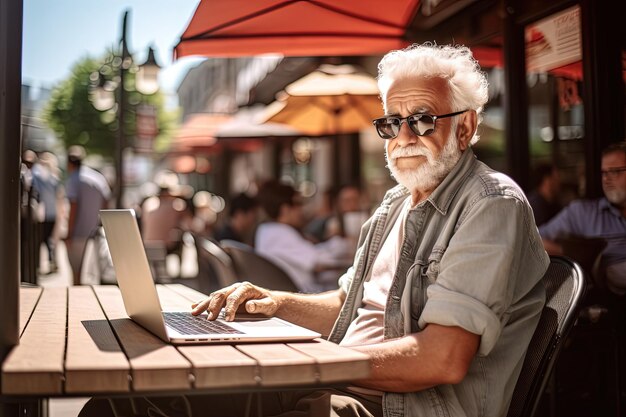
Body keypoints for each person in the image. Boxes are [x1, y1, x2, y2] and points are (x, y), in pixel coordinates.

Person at [186, 43, 550, 417]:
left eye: (423, 120)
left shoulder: (491, 203)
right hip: (339, 382)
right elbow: (349, 305)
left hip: (400, 406)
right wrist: (273, 303)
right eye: (392, 122)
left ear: (465, 126)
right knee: (192, 392)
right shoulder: (396, 202)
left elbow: (443, 359)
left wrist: (313, 361)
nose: (404, 138)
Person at [540, 142, 626, 295]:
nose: (606, 179)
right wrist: (572, 253)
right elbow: (534, 239)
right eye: (604, 172)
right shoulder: (584, 213)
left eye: (615, 171)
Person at [254, 180, 351, 293]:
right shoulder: (279, 234)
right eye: (299, 204)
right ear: (285, 209)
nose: (302, 210)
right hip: (301, 296)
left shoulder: (268, 231)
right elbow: (318, 263)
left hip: (292, 293)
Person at [65, 145, 111, 285]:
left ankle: (75, 301)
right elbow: (106, 202)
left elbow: (73, 206)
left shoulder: (73, 179)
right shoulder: (97, 177)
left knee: (77, 272)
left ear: (69, 163)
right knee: (94, 272)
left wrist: (69, 232)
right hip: (95, 230)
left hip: (78, 232)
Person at [31, 151, 61, 273]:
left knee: (40, 240)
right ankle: (52, 261)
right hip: (52, 213)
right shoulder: (54, 178)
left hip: (41, 214)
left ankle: (37, 265)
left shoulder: (37, 174)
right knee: (48, 239)